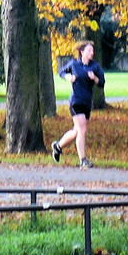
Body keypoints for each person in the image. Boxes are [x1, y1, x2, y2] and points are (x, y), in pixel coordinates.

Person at [51, 41, 105, 169]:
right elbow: (61, 72)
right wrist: (68, 77)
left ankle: (58, 146)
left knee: (76, 131)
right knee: (82, 129)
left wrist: (95, 79)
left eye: (93, 51)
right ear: (82, 52)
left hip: (87, 102)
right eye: (89, 50)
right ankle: (83, 160)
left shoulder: (95, 67)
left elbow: (102, 83)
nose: (92, 53)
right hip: (76, 101)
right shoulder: (74, 64)